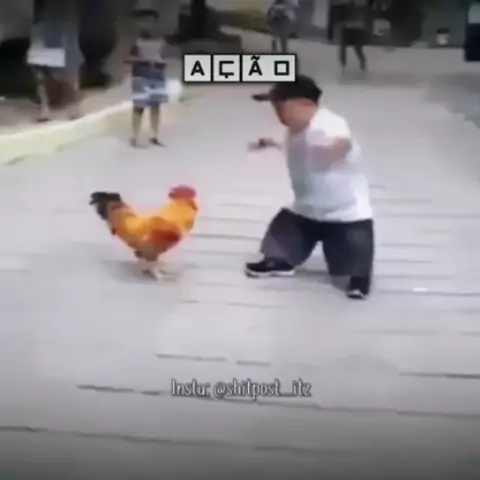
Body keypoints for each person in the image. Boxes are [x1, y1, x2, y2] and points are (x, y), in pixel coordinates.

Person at [247, 75, 374, 300]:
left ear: (304, 104)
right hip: (306, 209)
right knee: (283, 228)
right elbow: (290, 148)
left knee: (352, 256)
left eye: (280, 107)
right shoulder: (293, 131)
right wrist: (268, 143)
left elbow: (342, 141)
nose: (277, 114)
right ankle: (279, 260)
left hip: (344, 214)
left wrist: (334, 151)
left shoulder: (327, 123)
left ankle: (358, 277)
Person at [26, 0, 83, 122]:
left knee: (70, 58)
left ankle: (75, 105)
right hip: (43, 18)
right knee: (38, 62)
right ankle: (45, 106)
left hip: (63, 16)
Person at [127, 9, 168, 148]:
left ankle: (154, 136)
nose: (148, 24)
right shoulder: (134, 41)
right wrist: (143, 59)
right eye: (144, 21)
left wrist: (161, 61)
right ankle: (135, 137)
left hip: (158, 76)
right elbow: (127, 58)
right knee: (139, 107)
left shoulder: (161, 40)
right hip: (141, 76)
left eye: (151, 21)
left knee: (156, 107)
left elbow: (167, 56)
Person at [338, 0, 370, 72]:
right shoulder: (347, 12)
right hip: (352, 31)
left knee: (356, 47)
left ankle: (361, 62)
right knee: (344, 45)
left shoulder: (359, 10)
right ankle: (343, 63)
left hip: (358, 31)